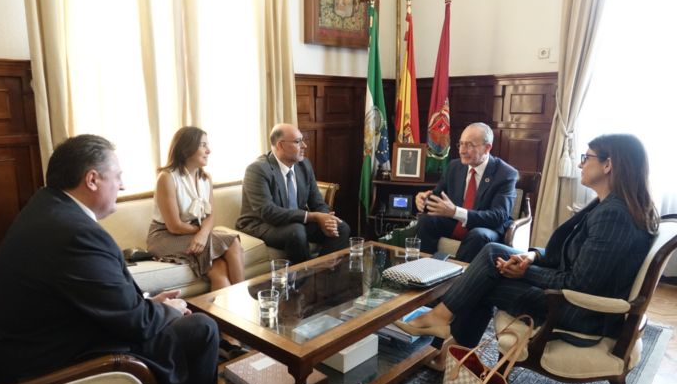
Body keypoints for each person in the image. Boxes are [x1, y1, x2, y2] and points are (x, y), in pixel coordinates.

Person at [0, 135, 219, 384]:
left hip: (39, 339)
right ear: (92, 179)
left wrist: (147, 303)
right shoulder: (74, 232)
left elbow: (94, 295)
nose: (123, 185)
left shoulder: (48, 208)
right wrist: (166, 311)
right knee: (201, 327)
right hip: (47, 363)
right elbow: (134, 322)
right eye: (117, 177)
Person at [396, 134, 659, 371]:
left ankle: (444, 328)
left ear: (608, 165)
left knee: (483, 280)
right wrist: (531, 257)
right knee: (492, 253)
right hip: (574, 298)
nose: (581, 164)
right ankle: (445, 330)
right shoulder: (609, 205)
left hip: (579, 312)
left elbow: (579, 284)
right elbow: (569, 255)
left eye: (586, 157)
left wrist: (525, 272)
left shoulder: (614, 215)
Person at [147, 127, 245, 359]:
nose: (208, 150)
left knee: (219, 269)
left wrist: (202, 235)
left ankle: (227, 336)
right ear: (186, 148)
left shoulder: (205, 178)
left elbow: (211, 215)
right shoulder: (167, 178)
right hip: (165, 236)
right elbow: (173, 226)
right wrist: (201, 234)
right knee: (232, 242)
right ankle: (244, 319)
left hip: (193, 232)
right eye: (203, 145)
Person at [236, 123, 350, 263]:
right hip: (262, 224)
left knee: (341, 228)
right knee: (296, 232)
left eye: (302, 140)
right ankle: (305, 281)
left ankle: (319, 273)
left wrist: (326, 219)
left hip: (295, 221)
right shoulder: (257, 170)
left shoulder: (303, 165)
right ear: (280, 145)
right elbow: (268, 212)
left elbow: (317, 202)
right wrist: (314, 216)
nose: (304, 146)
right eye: (298, 141)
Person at [414, 122, 518, 261]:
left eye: (469, 145)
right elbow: (438, 196)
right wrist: (424, 199)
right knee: (426, 221)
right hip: (455, 222)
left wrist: (455, 212)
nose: (462, 150)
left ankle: (458, 277)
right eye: (461, 144)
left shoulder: (505, 174)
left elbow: (498, 216)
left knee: (478, 235)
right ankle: (423, 268)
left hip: (486, 227)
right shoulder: (454, 167)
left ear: (487, 148)